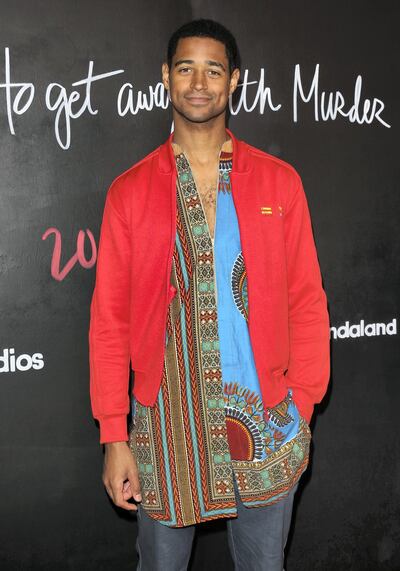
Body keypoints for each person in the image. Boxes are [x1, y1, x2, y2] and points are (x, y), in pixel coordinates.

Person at [89, 18, 330, 571]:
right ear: (165, 78)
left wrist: (303, 403)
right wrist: (113, 434)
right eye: (185, 68)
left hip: (266, 426)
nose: (199, 82)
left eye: (213, 69)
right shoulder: (129, 192)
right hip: (164, 431)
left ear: (234, 80)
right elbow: (109, 322)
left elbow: (307, 302)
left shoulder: (279, 182)